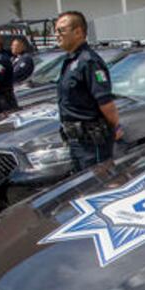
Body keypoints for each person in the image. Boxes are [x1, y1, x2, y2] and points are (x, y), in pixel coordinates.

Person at [54, 11, 122, 171]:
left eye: (61, 30)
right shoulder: (71, 61)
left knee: (97, 185)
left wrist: (116, 127)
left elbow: (105, 102)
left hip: (92, 143)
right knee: (82, 187)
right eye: (56, 31)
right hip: (75, 141)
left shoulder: (89, 61)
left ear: (78, 32)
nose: (57, 35)